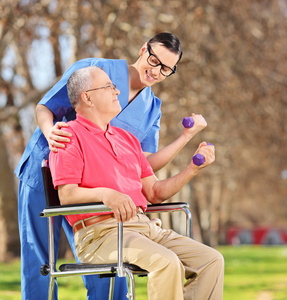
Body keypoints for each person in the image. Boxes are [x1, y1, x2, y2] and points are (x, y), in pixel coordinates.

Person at [15, 33, 207, 299]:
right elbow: (46, 106)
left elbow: (144, 163)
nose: (156, 71)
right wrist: (50, 134)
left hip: (98, 190)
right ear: (143, 50)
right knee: (40, 260)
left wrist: (185, 138)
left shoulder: (152, 107)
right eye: (154, 60)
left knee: (106, 271)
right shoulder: (97, 71)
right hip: (46, 169)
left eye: (166, 69)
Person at [49, 65, 224, 300]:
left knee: (211, 260)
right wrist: (107, 194)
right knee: (166, 262)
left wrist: (193, 169)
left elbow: (154, 192)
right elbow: (67, 195)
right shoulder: (68, 135)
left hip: (144, 227)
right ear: (87, 97)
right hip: (101, 235)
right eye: (109, 86)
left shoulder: (128, 139)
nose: (117, 91)